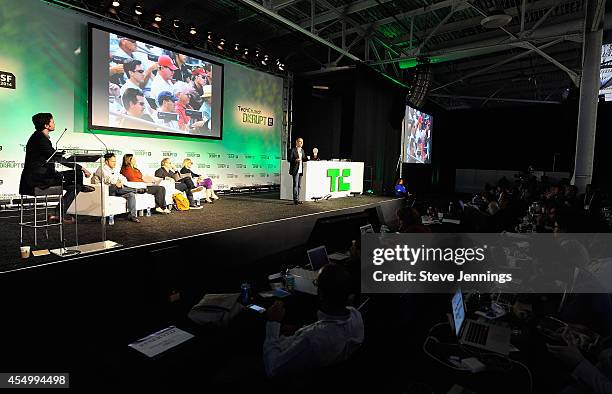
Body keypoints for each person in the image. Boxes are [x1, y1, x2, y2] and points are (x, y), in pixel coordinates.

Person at [263, 263, 364, 377]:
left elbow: (273, 368)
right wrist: (301, 329)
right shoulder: (356, 315)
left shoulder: (312, 340)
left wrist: (273, 322)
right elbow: (329, 327)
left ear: (320, 294)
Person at [19, 113, 94, 224]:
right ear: (46, 125)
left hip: (41, 176)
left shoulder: (38, 137)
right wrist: (82, 168)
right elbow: (59, 159)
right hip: (39, 179)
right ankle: (60, 210)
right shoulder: (40, 139)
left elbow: (54, 157)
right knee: (77, 173)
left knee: (75, 185)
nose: (54, 123)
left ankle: (60, 210)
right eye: (52, 121)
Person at [93, 153, 144, 222]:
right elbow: (108, 179)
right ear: (106, 161)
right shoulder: (102, 169)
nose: (115, 163)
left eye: (115, 161)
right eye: (112, 161)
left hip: (117, 190)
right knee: (115, 186)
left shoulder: (113, 169)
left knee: (131, 195)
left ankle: (132, 216)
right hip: (105, 191)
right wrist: (117, 182)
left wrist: (120, 181)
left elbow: (122, 177)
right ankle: (136, 190)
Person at [288, 137, 308, 205]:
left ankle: (298, 199)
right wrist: (295, 160)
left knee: (299, 185)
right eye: (300, 141)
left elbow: (304, 159)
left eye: (302, 142)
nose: (301, 143)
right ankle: (295, 199)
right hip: (295, 169)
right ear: (296, 142)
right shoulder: (292, 150)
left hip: (300, 170)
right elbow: (289, 159)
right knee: (295, 185)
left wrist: (314, 157)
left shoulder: (302, 150)